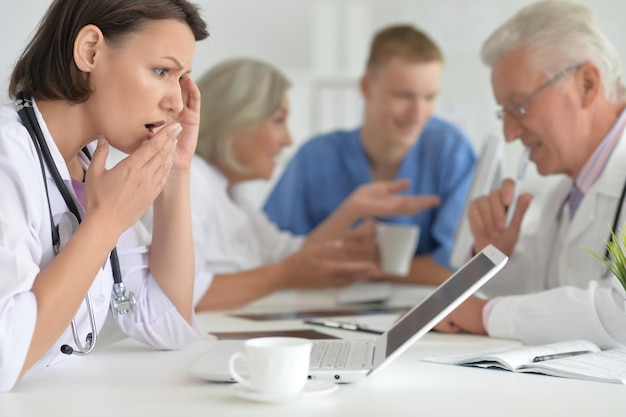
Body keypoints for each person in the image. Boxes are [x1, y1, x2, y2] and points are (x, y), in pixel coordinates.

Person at [0, 0, 208, 392]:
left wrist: (175, 171)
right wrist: (105, 221)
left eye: (181, 80)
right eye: (161, 71)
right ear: (90, 50)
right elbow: (3, 356)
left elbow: (169, 323)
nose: (176, 103)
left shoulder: (87, 165)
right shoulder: (7, 155)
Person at [435, 0, 626, 349]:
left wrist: (484, 315)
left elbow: (621, 314)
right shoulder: (565, 191)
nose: (509, 134)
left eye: (518, 107)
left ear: (586, 84)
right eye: (503, 113)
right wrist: (499, 257)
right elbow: (544, 294)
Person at [190, 58, 441, 311]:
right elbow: (184, 295)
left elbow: (289, 255)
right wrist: (285, 275)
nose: (288, 140)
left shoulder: (232, 196)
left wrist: (352, 210)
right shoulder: (192, 181)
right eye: (278, 121)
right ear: (234, 121)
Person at [263, 24, 476, 286]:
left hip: (419, 313)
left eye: (429, 97)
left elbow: (462, 266)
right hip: (319, 308)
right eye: (403, 96)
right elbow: (270, 257)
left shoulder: (450, 151)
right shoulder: (315, 157)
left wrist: (375, 265)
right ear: (367, 86)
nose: (417, 114)